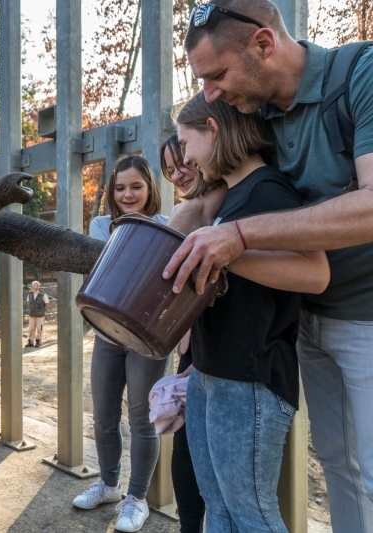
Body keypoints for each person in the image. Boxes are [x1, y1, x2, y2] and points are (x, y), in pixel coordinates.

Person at [164, 2, 373, 531]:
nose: (209, 92)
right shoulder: (255, 111)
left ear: (263, 44)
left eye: (216, 75)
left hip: (367, 316)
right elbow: (220, 183)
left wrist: (238, 236)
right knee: (338, 466)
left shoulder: (360, 73)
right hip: (306, 322)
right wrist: (193, 208)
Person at [175, 90, 329, 532]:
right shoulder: (231, 195)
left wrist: (226, 253)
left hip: (251, 377)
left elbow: (314, 272)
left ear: (214, 129)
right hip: (210, 371)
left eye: (188, 143)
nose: (186, 158)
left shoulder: (269, 190)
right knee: (217, 506)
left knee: (252, 513)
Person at [73, 155, 167, 533]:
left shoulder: (166, 224)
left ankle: (137, 499)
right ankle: (109, 485)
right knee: (103, 415)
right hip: (108, 334)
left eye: (136, 186)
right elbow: (110, 268)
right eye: (120, 188)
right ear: (112, 192)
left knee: (142, 419)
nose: (128, 194)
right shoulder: (101, 224)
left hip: (147, 337)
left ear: (150, 189)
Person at [160, 134, 206, 533]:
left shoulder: (208, 206)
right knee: (185, 449)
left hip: (227, 351)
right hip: (193, 349)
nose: (179, 173)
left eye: (184, 161)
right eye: (170, 169)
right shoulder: (193, 208)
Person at [25, 281, 49, 347]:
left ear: (38, 286)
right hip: (32, 314)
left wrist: (42, 309)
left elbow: (47, 303)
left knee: (40, 328)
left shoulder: (43, 294)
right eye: (32, 285)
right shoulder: (29, 294)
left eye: (35, 285)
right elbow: (28, 302)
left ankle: (38, 341)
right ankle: (30, 341)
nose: (33, 287)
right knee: (31, 328)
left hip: (40, 315)